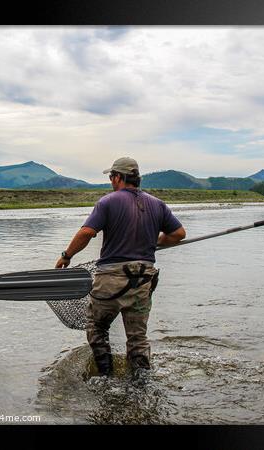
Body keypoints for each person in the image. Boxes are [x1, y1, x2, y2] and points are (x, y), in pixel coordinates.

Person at [55, 157, 186, 379]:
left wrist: (67, 256)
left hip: (111, 279)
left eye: (111, 177)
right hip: (143, 279)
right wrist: (156, 242)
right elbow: (178, 234)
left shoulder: (108, 202)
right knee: (137, 337)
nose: (110, 181)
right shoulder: (158, 204)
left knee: (97, 327)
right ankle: (141, 382)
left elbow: (87, 232)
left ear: (118, 177)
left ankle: (105, 376)